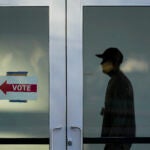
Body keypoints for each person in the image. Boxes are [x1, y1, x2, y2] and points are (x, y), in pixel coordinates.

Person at [96, 47, 136, 150]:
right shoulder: (115, 81)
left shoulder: (120, 83)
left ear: (114, 63)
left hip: (118, 143)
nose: (102, 64)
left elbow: (121, 115)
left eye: (105, 61)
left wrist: (111, 143)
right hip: (117, 141)